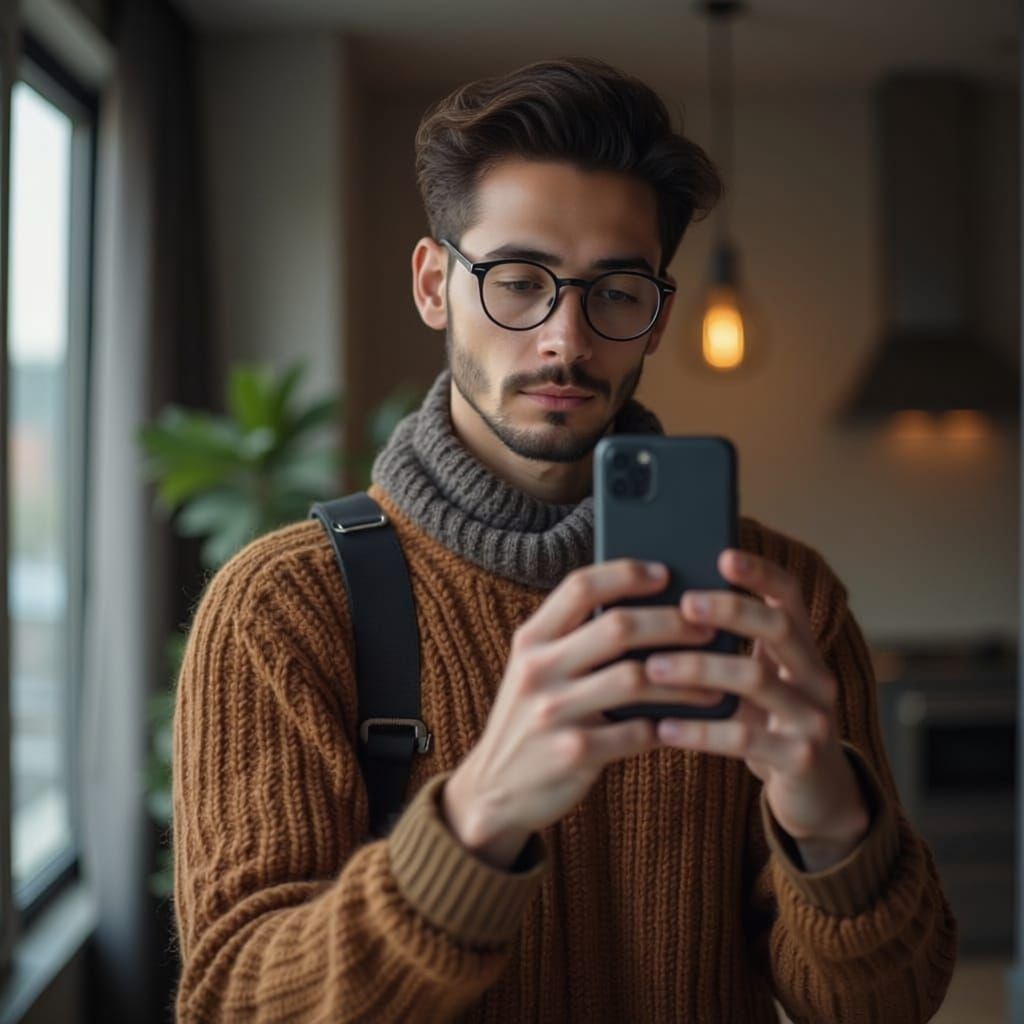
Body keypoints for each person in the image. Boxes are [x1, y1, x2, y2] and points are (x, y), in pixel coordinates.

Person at [172, 57, 956, 1022]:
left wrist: (833, 821)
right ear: (433, 284)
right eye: (518, 280)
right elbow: (233, 1006)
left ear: (658, 316)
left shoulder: (779, 598)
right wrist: (478, 818)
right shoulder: (284, 607)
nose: (565, 339)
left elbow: (892, 1005)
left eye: (616, 291)